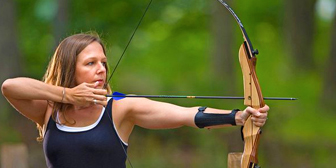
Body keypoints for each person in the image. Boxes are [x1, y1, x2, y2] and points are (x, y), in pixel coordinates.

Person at [1, 32, 269, 168]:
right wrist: (66, 95)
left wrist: (239, 116)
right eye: (90, 63)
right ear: (70, 68)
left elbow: (187, 115)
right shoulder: (50, 111)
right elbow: (10, 86)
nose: (101, 70)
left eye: (104, 63)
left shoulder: (120, 108)